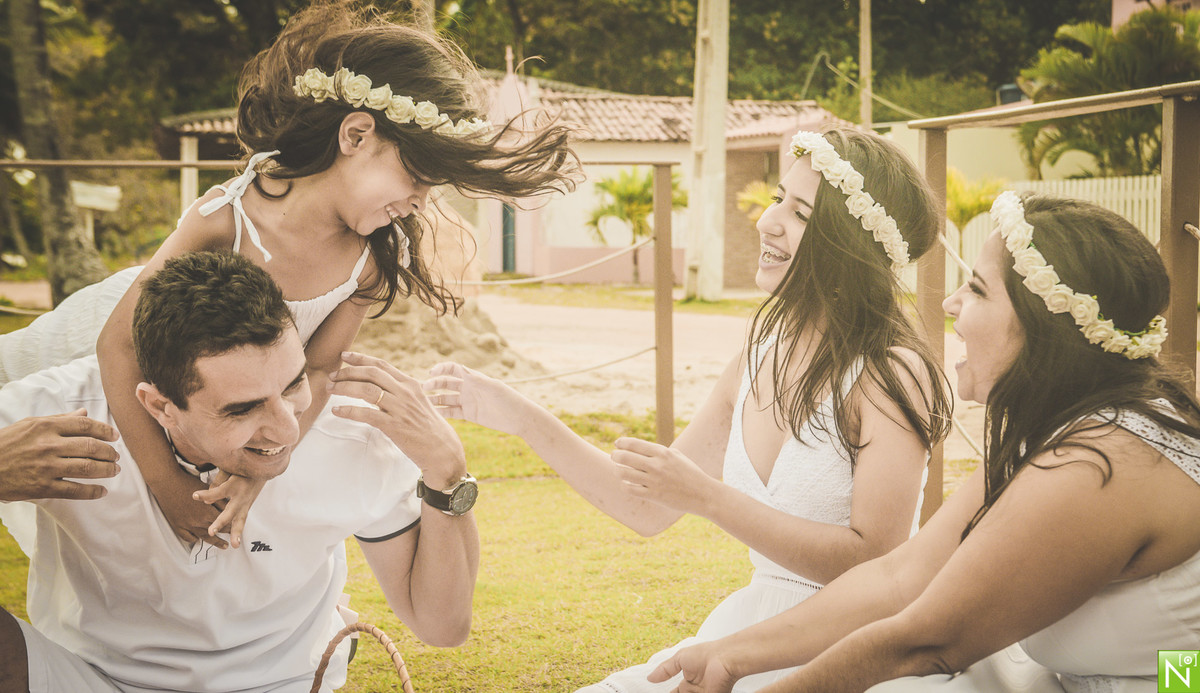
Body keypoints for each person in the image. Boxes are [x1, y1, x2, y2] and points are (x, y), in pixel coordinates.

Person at [0, 0, 577, 551]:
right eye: (416, 179)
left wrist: (263, 469)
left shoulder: (372, 260)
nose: (421, 203)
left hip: (184, 388)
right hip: (96, 346)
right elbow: (117, 344)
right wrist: (171, 493)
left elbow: (319, 370)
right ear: (356, 136)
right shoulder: (227, 218)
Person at [424, 126, 952, 692]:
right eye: (778, 199)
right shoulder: (759, 353)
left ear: (849, 244)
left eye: (800, 213)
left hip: (847, 647)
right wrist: (521, 415)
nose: (767, 222)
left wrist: (707, 497)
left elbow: (874, 565)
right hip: (751, 623)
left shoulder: (892, 372)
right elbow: (645, 508)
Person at [650, 192, 1200, 693]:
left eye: (978, 289)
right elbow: (901, 577)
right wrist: (732, 654)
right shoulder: (1068, 427)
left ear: (1042, 327)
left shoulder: (1100, 461)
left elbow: (930, 641)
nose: (950, 303)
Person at [0, 251, 480, 693]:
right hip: (87, 676)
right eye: (243, 409)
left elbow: (442, 625)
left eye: (293, 383)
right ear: (159, 405)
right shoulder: (58, 417)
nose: (287, 429)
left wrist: (447, 471)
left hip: (281, 681)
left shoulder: (354, 429)